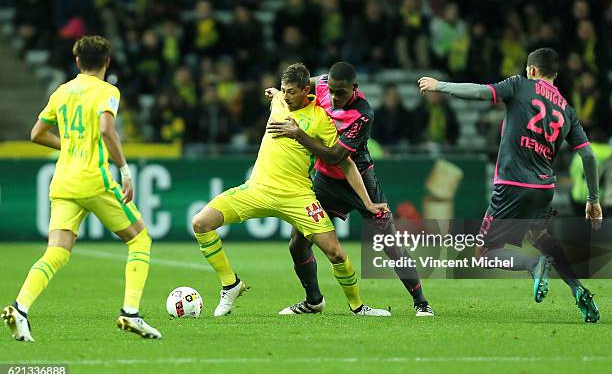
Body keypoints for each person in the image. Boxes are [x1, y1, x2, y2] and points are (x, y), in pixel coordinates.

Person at [191, 63, 391, 317]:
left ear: (306, 90)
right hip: (257, 189)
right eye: (284, 90)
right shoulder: (279, 101)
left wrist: (368, 202)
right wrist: (276, 92)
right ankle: (230, 284)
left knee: (336, 253)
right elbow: (276, 95)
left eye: (292, 91)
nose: (286, 96)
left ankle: (358, 307)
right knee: (201, 223)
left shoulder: (320, 119)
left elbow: (345, 163)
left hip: (298, 197)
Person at [418, 47, 602, 323]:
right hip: (544, 188)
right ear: (555, 74)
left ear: (532, 70)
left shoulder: (519, 85)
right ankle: (578, 289)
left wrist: (440, 86)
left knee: (484, 253)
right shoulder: (567, 108)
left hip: (512, 183)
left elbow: (481, 92)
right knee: (541, 237)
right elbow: (588, 155)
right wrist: (593, 199)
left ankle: (532, 265)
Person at [1, 36, 161, 341]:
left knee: (57, 252)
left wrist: (69, 145)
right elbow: (105, 128)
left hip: (62, 181)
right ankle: (130, 314)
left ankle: (20, 308)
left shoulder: (62, 92)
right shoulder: (107, 91)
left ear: (77, 62)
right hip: (94, 179)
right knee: (140, 239)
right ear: (107, 62)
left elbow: (37, 133)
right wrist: (125, 171)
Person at [266, 62, 434, 317]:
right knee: (297, 244)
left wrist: (298, 134)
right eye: (332, 90)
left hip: (360, 180)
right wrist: (280, 94)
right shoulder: (323, 84)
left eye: (341, 92)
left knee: (389, 243)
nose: (334, 97)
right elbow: (306, 82)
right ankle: (313, 301)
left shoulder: (363, 114)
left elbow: (336, 156)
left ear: (355, 88)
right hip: (324, 181)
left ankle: (421, 302)